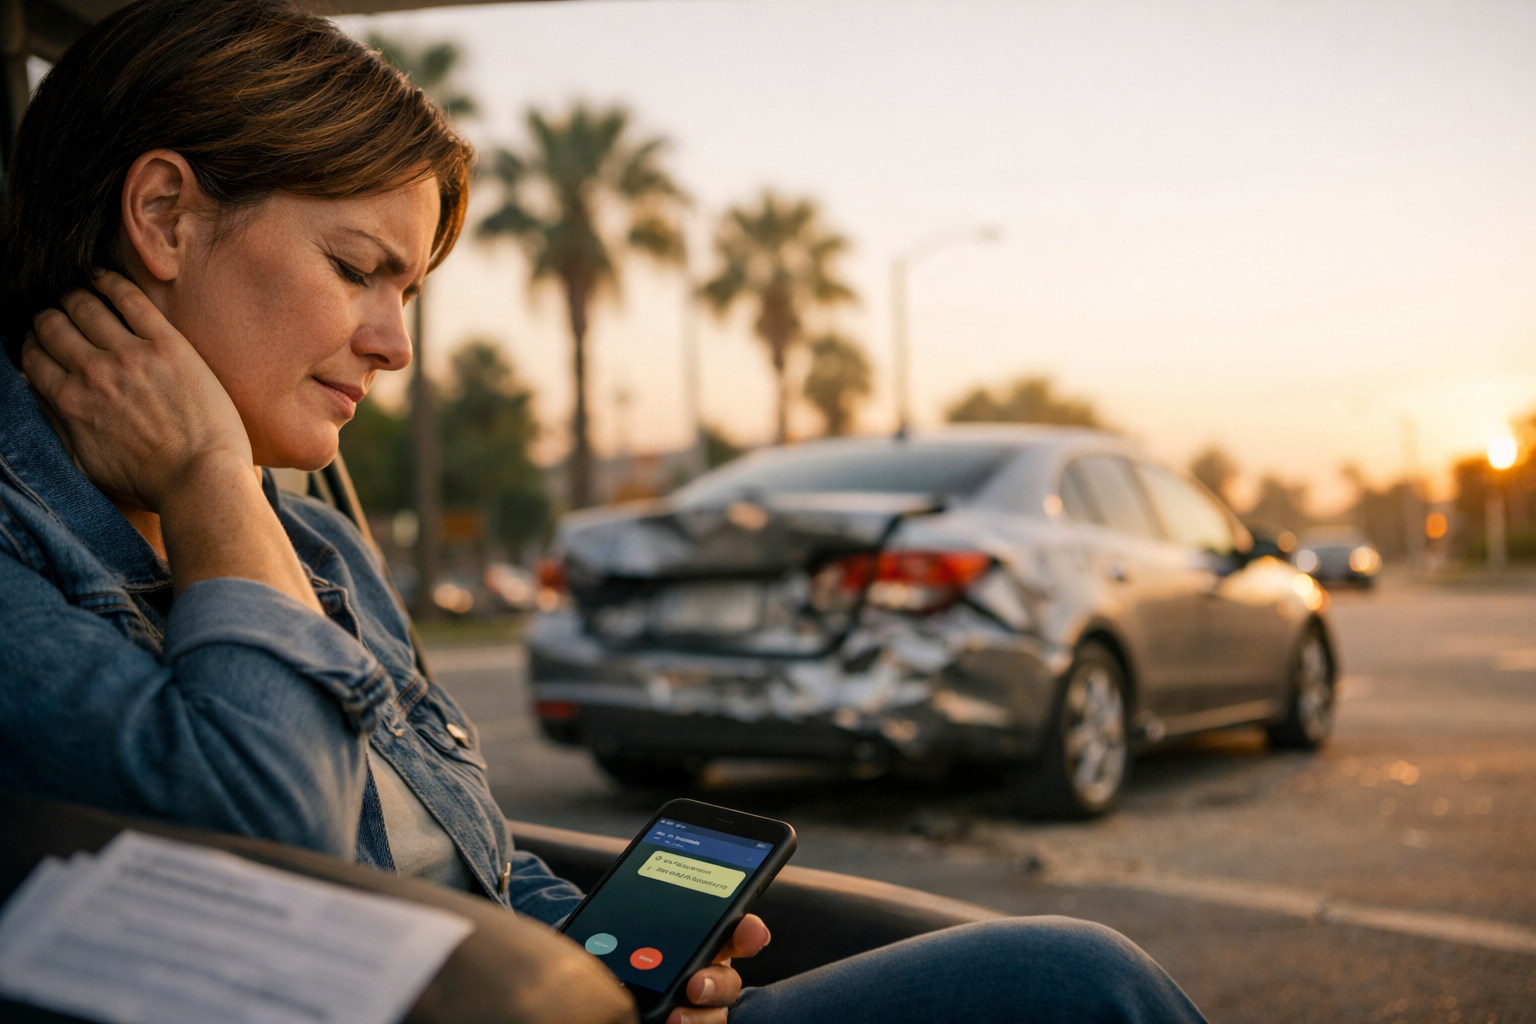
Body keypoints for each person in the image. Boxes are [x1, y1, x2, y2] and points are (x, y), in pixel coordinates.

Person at [0, 1, 1207, 1020]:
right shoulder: (33, 543)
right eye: (356, 267)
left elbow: (467, 853)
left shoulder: (310, 542)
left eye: (408, 289)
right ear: (162, 216)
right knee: (1076, 980)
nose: (396, 345)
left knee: (1072, 974)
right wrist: (210, 474)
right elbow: (278, 856)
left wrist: (588, 957)